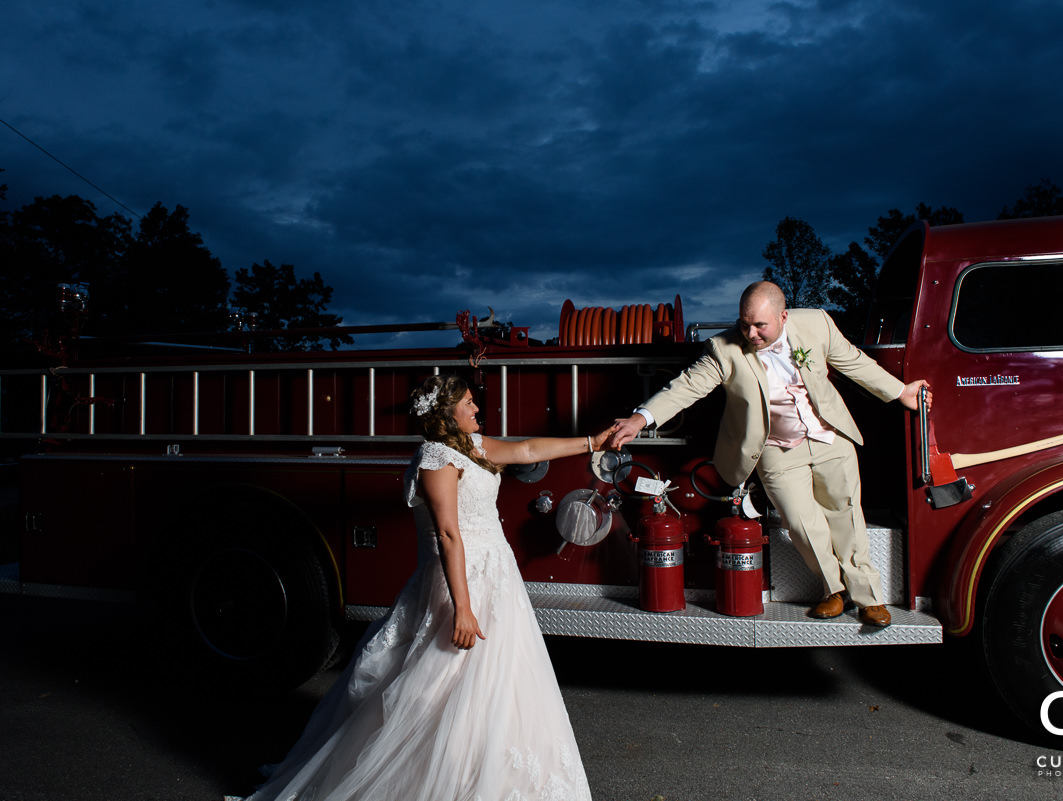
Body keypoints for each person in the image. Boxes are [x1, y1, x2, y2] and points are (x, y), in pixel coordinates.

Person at [241, 375, 613, 801]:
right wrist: (463, 608)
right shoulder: (436, 457)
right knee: (438, 687)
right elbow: (448, 535)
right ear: (446, 412)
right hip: (461, 584)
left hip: (497, 579)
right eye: (469, 403)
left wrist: (592, 442)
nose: (477, 409)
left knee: (499, 684)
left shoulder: (472, 447)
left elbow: (527, 450)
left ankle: (482, 772)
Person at [605, 281, 931, 628]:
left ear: (783, 316)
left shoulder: (817, 324)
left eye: (760, 325)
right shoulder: (724, 348)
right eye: (744, 323)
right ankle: (834, 590)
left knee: (846, 516)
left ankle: (869, 599)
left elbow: (853, 362)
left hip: (828, 436)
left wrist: (900, 393)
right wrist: (642, 417)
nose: (750, 333)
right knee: (801, 523)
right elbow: (686, 386)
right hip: (775, 447)